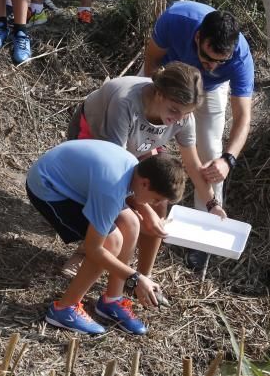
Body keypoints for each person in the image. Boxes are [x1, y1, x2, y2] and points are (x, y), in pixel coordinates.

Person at [61, 62, 225, 278]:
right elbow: (115, 169)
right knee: (111, 199)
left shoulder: (183, 117)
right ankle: (85, 252)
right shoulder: (125, 102)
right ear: (158, 93)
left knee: (160, 196)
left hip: (139, 145)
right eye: (174, 111)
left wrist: (212, 205)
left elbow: (193, 166)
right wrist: (144, 209)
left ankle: (143, 278)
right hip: (94, 138)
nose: (178, 120)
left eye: (184, 114)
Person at [28, 140, 183, 335]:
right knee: (112, 242)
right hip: (49, 188)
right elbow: (94, 248)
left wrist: (148, 212)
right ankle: (64, 309)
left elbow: (126, 192)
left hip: (73, 180)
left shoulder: (135, 169)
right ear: (146, 183)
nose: (155, 204)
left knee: (132, 223)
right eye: (156, 200)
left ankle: (112, 300)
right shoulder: (112, 187)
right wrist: (135, 278)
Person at [142, 2, 254, 270]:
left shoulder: (240, 58)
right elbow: (151, 59)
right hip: (169, 78)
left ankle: (202, 240)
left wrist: (228, 160)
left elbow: (243, 117)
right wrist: (156, 101)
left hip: (210, 91)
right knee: (140, 138)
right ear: (197, 38)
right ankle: (134, 209)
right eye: (207, 59)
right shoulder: (176, 20)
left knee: (210, 156)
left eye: (220, 62)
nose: (212, 66)